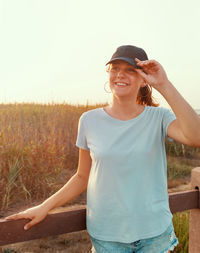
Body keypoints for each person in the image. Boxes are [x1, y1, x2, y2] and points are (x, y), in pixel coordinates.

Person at [5, 45, 200, 253]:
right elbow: (81, 176)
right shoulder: (89, 120)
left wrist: (164, 84)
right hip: (108, 236)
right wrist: (44, 207)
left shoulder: (159, 118)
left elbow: (195, 136)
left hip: (155, 234)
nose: (120, 75)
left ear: (144, 80)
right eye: (115, 68)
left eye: (130, 70)